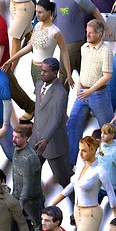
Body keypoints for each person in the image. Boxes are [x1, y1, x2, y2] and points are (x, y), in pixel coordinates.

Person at [50, 135, 116, 231]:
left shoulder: (100, 171)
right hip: (78, 212)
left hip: (92, 213)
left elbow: (111, 194)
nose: (80, 154)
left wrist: (115, 216)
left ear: (94, 150)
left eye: (85, 151)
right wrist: (52, 203)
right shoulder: (81, 167)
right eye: (80, 150)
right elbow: (71, 187)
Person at [65, 20, 116, 164]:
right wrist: (80, 85)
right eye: (87, 32)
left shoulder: (106, 51)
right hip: (83, 91)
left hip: (98, 94)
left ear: (100, 34)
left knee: (107, 124)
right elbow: (84, 69)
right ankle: (71, 160)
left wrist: (90, 90)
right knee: (73, 122)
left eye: (91, 33)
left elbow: (107, 75)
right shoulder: (84, 48)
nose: (87, 35)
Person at [1, 0, 71, 86]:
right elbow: (30, 47)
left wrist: (69, 74)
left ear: (49, 13)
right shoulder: (37, 26)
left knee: (44, 96)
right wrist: (10, 61)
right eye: (36, 11)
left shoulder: (55, 32)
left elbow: (64, 51)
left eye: (40, 12)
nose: (37, 14)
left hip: (46, 70)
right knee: (38, 95)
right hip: (34, 68)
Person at [31, 59, 73, 190]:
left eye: (45, 71)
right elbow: (39, 110)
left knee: (64, 180)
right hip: (36, 139)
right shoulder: (39, 85)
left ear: (55, 73)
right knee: (31, 173)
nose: (42, 73)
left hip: (53, 144)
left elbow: (55, 119)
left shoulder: (60, 93)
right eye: (41, 70)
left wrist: (45, 140)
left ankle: (79, 205)